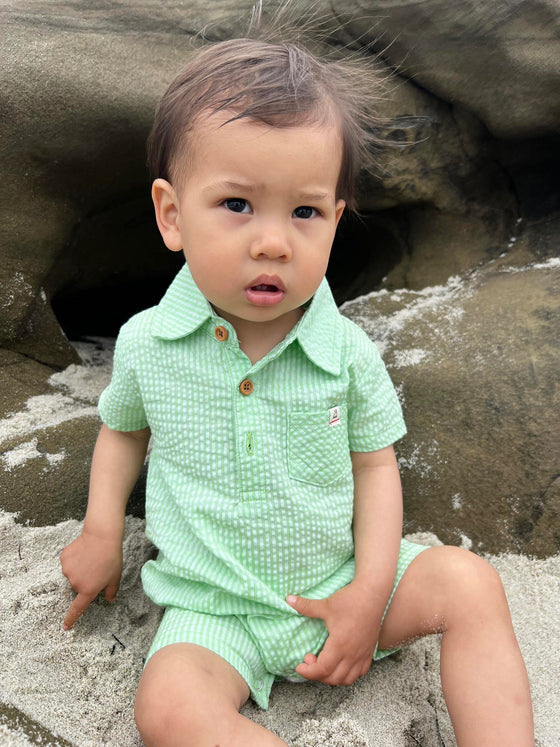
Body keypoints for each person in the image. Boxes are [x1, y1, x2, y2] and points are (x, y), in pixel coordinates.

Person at [60, 33, 534, 747]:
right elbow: (124, 431)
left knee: (470, 583)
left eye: (305, 213)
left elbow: (375, 466)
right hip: (216, 608)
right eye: (238, 204)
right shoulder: (148, 343)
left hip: (339, 579)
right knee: (167, 708)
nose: (274, 242)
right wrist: (102, 528)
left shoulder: (343, 350)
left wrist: (367, 592)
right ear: (171, 213)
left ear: (336, 222)